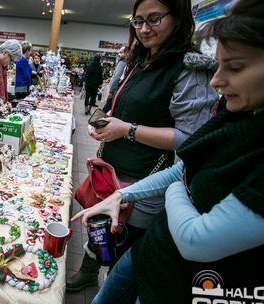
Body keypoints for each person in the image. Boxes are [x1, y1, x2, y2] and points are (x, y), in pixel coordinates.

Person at [73, 1, 264, 302]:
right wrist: (123, 192)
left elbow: (196, 236)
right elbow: (188, 166)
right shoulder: (239, 114)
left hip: (182, 284)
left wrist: (170, 183)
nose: (216, 81)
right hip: (151, 251)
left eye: (236, 67)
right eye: (138, 21)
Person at [66, 0, 220, 292]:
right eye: (138, 21)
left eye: (154, 19)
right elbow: (121, 106)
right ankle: (89, 272)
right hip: (113, 169)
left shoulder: (189, 68)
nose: (145, 29)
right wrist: (104, 121)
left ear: (178, 19)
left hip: (145, 178)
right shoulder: (142, 60)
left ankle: (112, 288)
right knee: (102, 227)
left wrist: (127, 130)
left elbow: (191, 137)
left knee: (125, 242)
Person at [103, 45, 127, 112]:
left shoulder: (122, 62)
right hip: (117, 90)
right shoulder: (124, 62)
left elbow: (117, 77)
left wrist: (111, 91)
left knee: (106, 110)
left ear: (127, 53)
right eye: (119, 52)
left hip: (115, 91)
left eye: (121, 52)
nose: (119, 54)